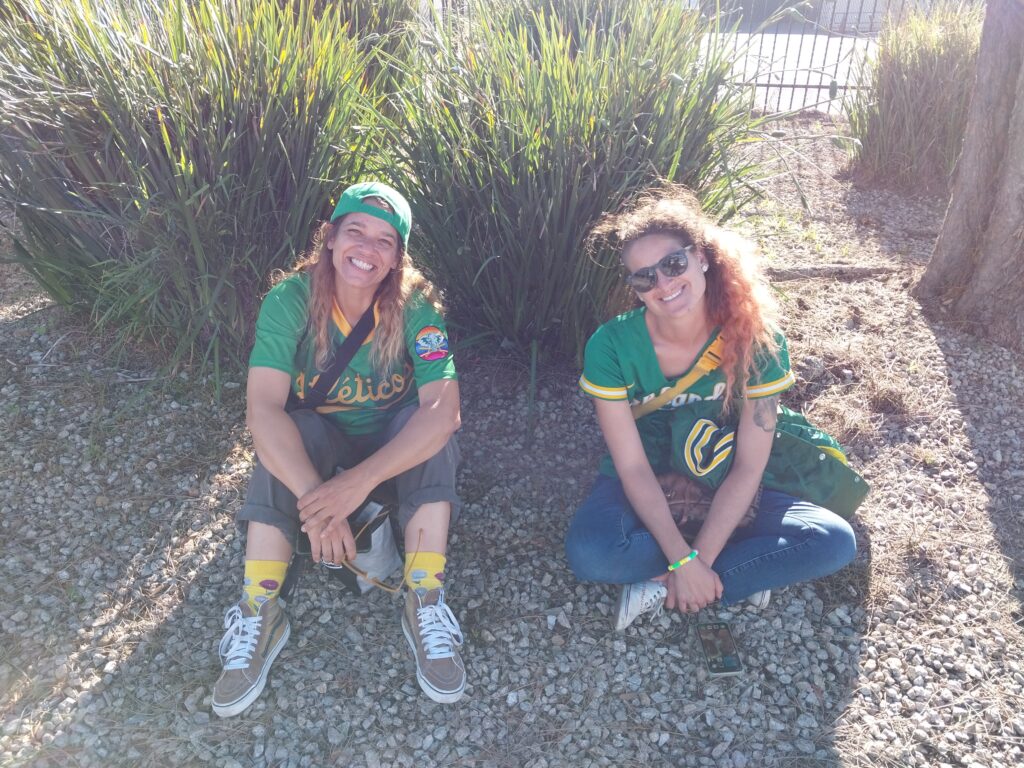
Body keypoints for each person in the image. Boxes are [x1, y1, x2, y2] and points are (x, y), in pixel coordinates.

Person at [212, 182, 465, 716]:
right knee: (288, 434)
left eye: (385, 241)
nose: (367, 250)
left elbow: (444, 412)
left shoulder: (417, 306)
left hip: (386, 452)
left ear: (397, 257)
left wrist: (358, 484)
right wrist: (318, 504)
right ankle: (260, 608)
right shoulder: (291, 300)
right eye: (356, 232)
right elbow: (263, 409)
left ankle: (425, 595)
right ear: (330, 237)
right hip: (322, 446)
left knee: (427, 435)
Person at [565, 185, 857, 631]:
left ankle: (664, 585)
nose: (663, 283)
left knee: (834, 542)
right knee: (590, 552)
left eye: (673, 264)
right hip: (652, 472)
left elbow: (749, 465)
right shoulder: (611, 346)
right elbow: (632, 467)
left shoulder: (755, 337)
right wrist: (684, 558)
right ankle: (732, 572)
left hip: (722, 468)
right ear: (635, 289)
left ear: (701, 257)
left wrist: (694, 560)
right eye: (644, 277)